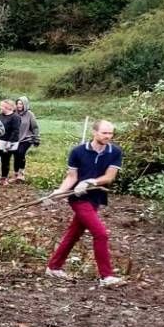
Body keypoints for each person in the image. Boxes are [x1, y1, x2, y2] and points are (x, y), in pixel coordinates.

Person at [46, 120, 125, 288]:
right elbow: (72, 177)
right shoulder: (78, 151)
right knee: (101, 234)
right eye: (104, 133)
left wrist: (91, 182)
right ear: (94, 132)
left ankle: (53, 267)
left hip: (95, 198)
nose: (108, 136)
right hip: (78, 198)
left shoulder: (115, 152)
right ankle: (107, 276)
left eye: (110, 133)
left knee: (73, 234)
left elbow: (110, 177)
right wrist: (60, 192)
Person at [12, 96, 40, 184]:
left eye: (21, 104)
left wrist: (36, 138)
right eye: (17, 103)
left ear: (25, 104)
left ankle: (21, 173)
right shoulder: (13, 113)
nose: (19, 105)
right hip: (15, 139)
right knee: (16, 155)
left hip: (26, 138)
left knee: (21, 153)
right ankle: (16, 174)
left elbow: (35, 127)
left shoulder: (30, 114)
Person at [0, 99, 23, 183]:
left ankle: (4, 178)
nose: (0, 107)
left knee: (5, 160)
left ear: (8, 107)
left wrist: (9, 143)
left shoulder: (15, 117)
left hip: (10, 142)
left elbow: (15, 131)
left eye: (2, 106)